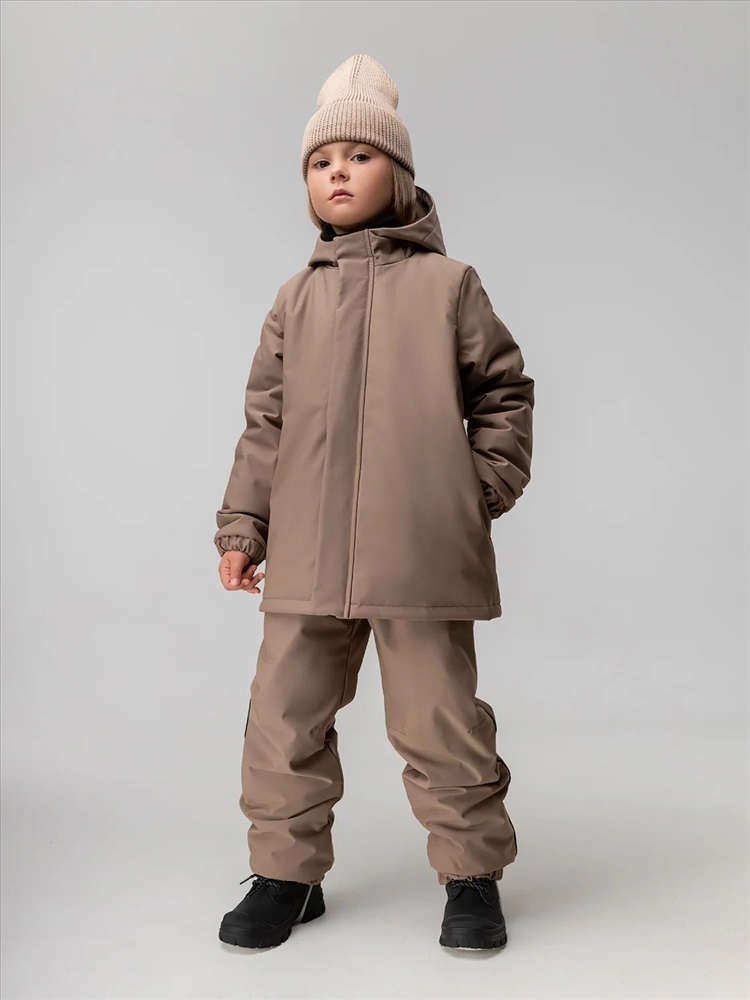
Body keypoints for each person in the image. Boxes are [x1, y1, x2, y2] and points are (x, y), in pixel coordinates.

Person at [213, 53, 534, 952]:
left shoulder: (449, 286)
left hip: (420, 551)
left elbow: (505, 394)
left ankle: (471, 874)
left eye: (360, 156)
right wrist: (244, 528)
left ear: (399, 171)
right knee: (282, 717)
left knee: (439, 720)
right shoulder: (295, 300)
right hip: (307, 554)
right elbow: (266, 425)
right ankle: (286, 875)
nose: (339, 173)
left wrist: (472, 495)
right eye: (321, 162)